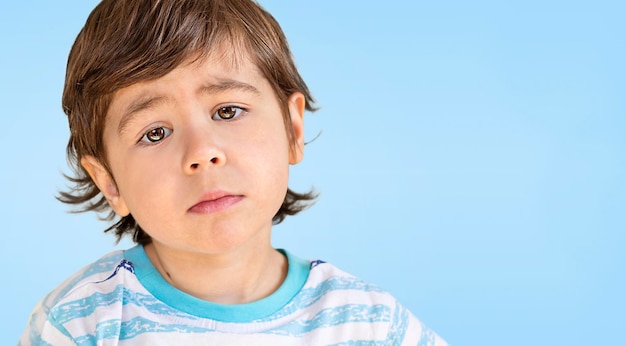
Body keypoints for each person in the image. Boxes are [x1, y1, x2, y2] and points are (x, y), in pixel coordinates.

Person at [19, 0, 448, 344]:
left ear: (292, 129)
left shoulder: (369, 323)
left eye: (228, 110)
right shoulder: (81, 323)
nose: (202, 153)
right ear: (109, 182)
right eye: (155, 133)